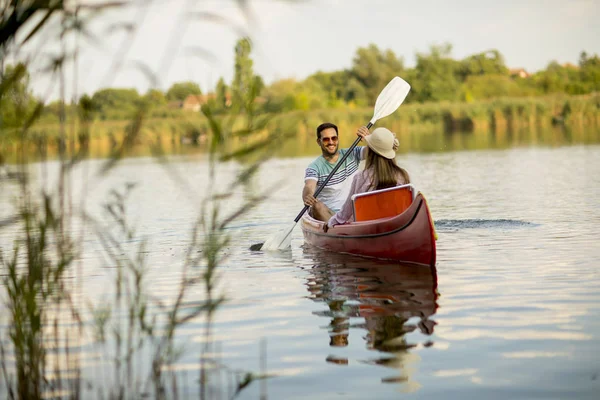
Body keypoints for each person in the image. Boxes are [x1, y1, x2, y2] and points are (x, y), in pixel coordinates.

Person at [325, 127, 410, 231]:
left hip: (366, 228)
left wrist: (330, 222)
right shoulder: (402, 175)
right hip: (396, 226)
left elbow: (345, 213)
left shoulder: (361, 177)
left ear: (370, 152)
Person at [302, 122, 369, 221]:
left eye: (334, 138)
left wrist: (369, 138)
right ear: (318, 142)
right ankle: (339, 228)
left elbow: (377, 151)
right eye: (326, 139)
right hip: (330, 216)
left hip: (355, 211)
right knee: (317, 206)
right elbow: (309, 186)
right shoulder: (314, 167)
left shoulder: (353, 153)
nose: (331, 142)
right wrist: (308, 196)